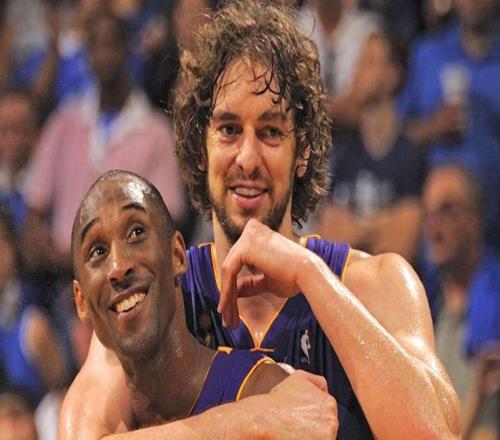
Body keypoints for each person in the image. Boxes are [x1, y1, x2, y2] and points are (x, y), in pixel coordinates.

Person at [60, 1, 461, 439]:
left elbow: (434, 434)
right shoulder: (154, 295)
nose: (248, 159)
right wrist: (251, 420)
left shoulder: (377, 284)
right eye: (229, 130)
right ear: (200, 148)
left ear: (302, 151)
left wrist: (310, 275)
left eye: (270, 132)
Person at [72, 169, 325, 428]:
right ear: (81, 302)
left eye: (136, 233)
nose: (118, 267)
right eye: (98, 251)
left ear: (178, 255)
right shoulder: (90, 423)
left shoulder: (265, 392)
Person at [21, 8, 186, 277]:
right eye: (94, 47)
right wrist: (51, 251)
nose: (102, 56)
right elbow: (34, 207)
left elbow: (168, 216)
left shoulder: (155, 130)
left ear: (127, 50)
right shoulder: (64, 121)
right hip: (63, 277)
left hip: (130, 274)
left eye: (110, 44)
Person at [398, 0, 500, 249]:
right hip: (433, 217)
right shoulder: (427, 54)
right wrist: (432, 127)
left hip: (493, 216)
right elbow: (398, 135)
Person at [317, 31, 426, 264]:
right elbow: (329, 242)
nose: (358, 70)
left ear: (393, 75)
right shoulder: (345, 155)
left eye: (370, 61)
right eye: (360, 61)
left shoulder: (410, 156)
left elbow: (402, 247)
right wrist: (382, 223)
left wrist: (354, 229)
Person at [420, 164, 499, 440]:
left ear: (475, 219)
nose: (434, 228)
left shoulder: (495, 302)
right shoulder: (425, 303)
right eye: (428, 214)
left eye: (447, 211)